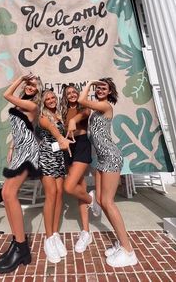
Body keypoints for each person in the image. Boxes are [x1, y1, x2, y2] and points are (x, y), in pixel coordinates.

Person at [78, 78, 138, 268]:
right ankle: (122, 243)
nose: (100, 89)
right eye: (99, 87)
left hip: (111, 157)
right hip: (102, 159)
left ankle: (129, 252)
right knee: (102, 202)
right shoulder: (96, 110)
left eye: (105, 87)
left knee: (109, 202)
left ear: (110, 91)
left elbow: (81, 100)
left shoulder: (105, 106)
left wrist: (90, 83)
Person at [0, 73, 42, 274]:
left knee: (8, 194)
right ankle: (17, 242)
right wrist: (11, 148)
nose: (30, 87)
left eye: (34, 85)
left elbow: (6, 94)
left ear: (38, 90)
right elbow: (20, 129)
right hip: (19, 149)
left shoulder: (32, 106)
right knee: (7, 195)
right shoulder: (20, 104)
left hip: (29, 151)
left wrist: (22, 79)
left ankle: (22, 248)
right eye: (29, 84)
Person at [61, 84, 101, 253]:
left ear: (78, 94)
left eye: (73, 92)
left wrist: (72, 120)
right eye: (68, 93)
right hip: (68, 148)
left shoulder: (84, 107)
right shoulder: (63, 111)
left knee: (69, 187)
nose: (71, 94)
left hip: (82, 146)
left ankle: (92, 201)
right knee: (80, 189)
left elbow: (85, 114)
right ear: (65, 96)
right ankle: (86, 232)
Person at [37, 89, 73, 264]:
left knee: (59, 195)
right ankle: (48, 238)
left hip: (58, 157)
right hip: (46, 157)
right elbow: (53, 131)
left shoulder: (58, 114)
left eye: (53, 97)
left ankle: (55, 234)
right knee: (51, 195)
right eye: (47, 98)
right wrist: (61, 139)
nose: (51, 100)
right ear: (43, 102)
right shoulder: (43, 117)